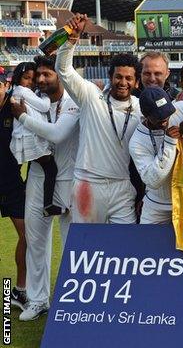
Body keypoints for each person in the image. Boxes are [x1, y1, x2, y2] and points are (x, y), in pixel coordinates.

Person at [10, 54, 80, 321]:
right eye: (38, 74)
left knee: (69, 243)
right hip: (38, 176)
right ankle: (38, 300)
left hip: (67, 178)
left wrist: (24, 118)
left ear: (59, 75)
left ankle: (70, 300)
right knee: (36, 241)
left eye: (46, 74)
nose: (40, 79)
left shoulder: (72, 101)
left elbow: (57, 135)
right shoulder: (31, 97)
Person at [56, 14, 142, 223]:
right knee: (87, 248)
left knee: (124, 251)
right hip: (88, 184)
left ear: (137, 82)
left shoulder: (141, 110)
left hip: (122, 187)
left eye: (128, 78)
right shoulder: (91, 97)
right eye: (118, 77)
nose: (123, 82)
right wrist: (71, 40)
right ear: (110, 77)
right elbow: (63, 69)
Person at [9, 62, 64, 217]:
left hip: (28, 137)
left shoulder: (20, 91)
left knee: (38, 167)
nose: (31, 83)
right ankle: (48, 205)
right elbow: (44, 107)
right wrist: (46, 97)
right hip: (30, 139)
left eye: (32, 79)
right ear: (19, 78)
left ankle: (29, 192)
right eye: (27, 78)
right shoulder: (23, 91)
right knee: (51, 168)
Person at [129, 87, 179, 224]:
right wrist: (169, 143)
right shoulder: (137, 141)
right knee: (145, 244)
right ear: (145, 115)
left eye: (166, 113)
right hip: (155, 206)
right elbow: (153, 180)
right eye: (158, 116)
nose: (164, 119)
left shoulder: (178, 112)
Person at [0, 76, 27, 313]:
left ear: (6, 86)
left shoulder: (16, 107)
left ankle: (19, 290)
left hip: (11, 184)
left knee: (27, 236)